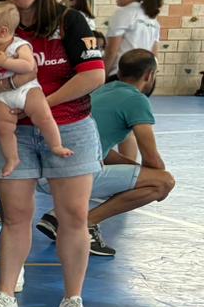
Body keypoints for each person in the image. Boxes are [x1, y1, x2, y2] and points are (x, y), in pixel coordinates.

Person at [0, 0, 105, 307]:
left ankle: (73, 300)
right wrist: (12, 88)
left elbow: (93, 75)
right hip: (12, 133)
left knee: (74, 217)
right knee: (15, 217)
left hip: (69, 127)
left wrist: (36, 103)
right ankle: (6, 294)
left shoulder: (70, 20)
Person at [39, 49, 176, 259]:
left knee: (137, 175)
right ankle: (86, 224)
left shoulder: (103, 90)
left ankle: (57, 217)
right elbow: (153, 159)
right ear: (149, 75)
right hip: (69, 176)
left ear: (119, 72)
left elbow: (101, 148)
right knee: (162, 182)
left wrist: (132, 169)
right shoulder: (137, 100)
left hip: (48, 170)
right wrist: (150, 175)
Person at [0, 0, 72, 177]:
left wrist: (5, 62)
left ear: (2, 32)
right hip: (3, 96)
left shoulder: (19, 45)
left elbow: (28, 66)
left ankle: (56, 145)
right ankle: (12, 158)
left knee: (44, 117)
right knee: (3, 128)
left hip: (28, 90)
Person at [104, 0, 163, 69]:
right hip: (145, 75)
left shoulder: (123, 13)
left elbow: (111, 51)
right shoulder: (152, 19)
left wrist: (103, 76)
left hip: (123, 73)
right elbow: (154, 54)